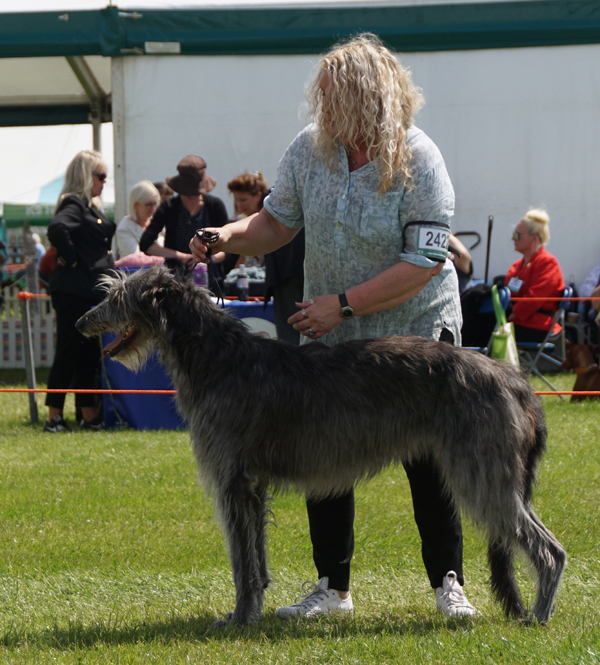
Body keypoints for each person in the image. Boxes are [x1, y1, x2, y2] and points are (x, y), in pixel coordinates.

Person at [190, 33, 476, 618]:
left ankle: (449, 583)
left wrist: (340, 304)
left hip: (413, 330)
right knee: (323, 453)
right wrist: (225, 238)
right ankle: (332, 586)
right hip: (335, 331)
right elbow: (273, 224)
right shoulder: (309, 150)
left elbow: (424, 262)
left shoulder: (420, 159)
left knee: (428, 460)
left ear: (364, 98)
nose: (318, 110)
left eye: (329, 99)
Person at [44, 150, 116, 433]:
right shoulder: (73, 203)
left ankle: (88, 414)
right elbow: (57, 227)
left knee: (87, 354)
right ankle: (54, 416)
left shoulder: (89, 206)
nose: (103, 182)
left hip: (87, 291)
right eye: (100, 176)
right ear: (87, 177)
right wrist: (73, 259)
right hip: (73, 290)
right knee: (69, 352)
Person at [227, 171, 305, 342]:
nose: (240, 205)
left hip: (289, 278)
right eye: (237, 201)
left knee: (292, 342)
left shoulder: (278, 199)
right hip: (302, 274)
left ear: (258, 196)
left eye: (243, 200)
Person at [140, 156, 228, 290]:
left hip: (211, 282)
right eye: (187, 194)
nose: (191, 198)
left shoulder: (215, 206)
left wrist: (207, 258)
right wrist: (182, 256)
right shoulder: (168, 207)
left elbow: (229, 247)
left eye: (195, 194)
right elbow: (146, 244)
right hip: (176, 282)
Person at [505, 209, 565, 343]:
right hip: (516, 322)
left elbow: (535, 298)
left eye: (517, 235)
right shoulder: (516, 266)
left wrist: (507, 316)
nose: (512, 239)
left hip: (536, 325)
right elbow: (508, 294)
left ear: (534, 239)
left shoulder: (548, 263)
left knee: (484, 329)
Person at [114, 180, 161, 259]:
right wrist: (167, 257)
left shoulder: (156, 222)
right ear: (135, 206)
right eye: (148, 205)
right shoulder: (125, 228)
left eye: (155, 204)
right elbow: (136, 257)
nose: (153, 209)